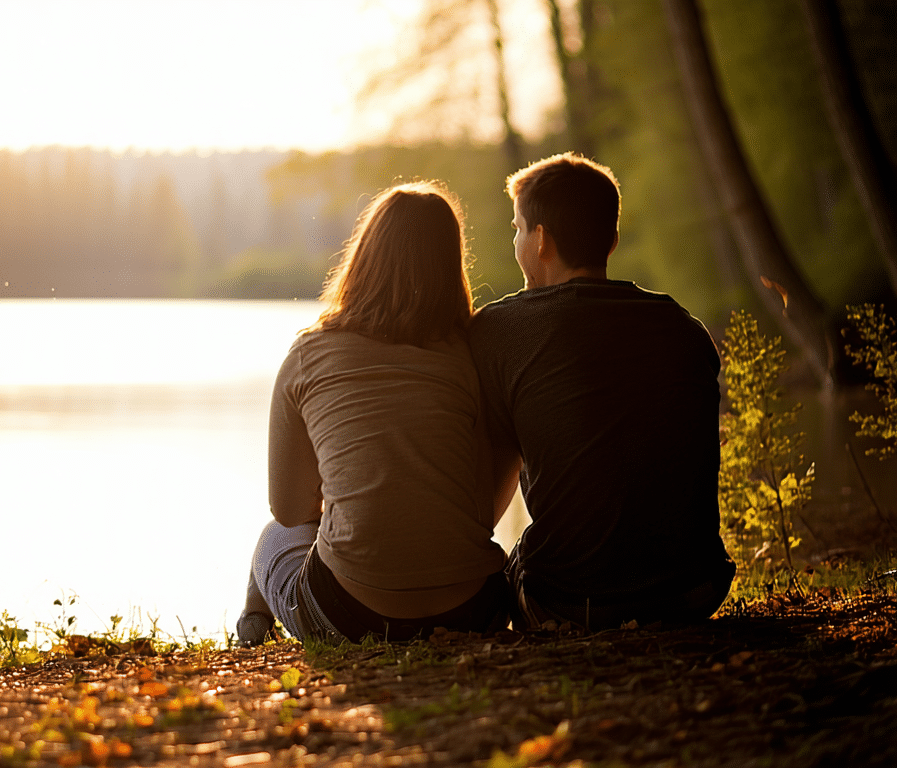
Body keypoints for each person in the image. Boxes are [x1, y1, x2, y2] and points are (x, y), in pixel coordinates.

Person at [235, 180, 511, 646]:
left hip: (351, 618)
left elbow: (289, 510)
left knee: (272, 537)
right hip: (474, 613)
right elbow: (482, 514)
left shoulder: (309, 355)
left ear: (364, 256)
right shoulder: (471, 356)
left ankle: (251, 631)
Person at [469, 152, 736, 631]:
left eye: (517, 229)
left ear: (541, 240)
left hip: (572, 603)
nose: (516, 241)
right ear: (611, 240)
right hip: (695, 590)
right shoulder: (684, 328)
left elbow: (484, 508)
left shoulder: (501, 330)